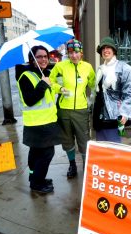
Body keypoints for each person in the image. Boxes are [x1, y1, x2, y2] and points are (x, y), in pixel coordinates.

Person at [16, 45, 61, 193]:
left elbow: (49, 92)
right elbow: (30, 100)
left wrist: (59, 89)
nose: (43, 59)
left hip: (45, 122)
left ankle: (34, 178)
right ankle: (37, 183)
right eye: (39, 56)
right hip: (38, 124)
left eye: (45, 56)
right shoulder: (26, 76)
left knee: (35, 153)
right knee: (47, 153)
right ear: (32, 59)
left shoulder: (42, 74)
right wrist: (43, 84)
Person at [49, 39, 96, 179]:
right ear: (67, 54)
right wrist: (59, 88)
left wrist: (92, 99)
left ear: (81, 53)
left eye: (76, 52)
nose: (74, 55)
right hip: (64, 109)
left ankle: (86, 166)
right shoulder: (60, 67)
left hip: (81, 109)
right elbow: (51, 81)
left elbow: (94, 85)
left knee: (83, 139)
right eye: (70, 53)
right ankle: (72, 165)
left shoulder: (87, 67)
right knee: (67, 139)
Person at [92, 36, 131, 143]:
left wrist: (126, 113)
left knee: (115, 148)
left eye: (108, 48)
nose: (105, 50)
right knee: (102, 149)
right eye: (103, 48)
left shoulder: (125, 68)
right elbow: (97, 93)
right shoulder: (100, 69)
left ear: (114, 51)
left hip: (117, 118)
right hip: (100, 118)